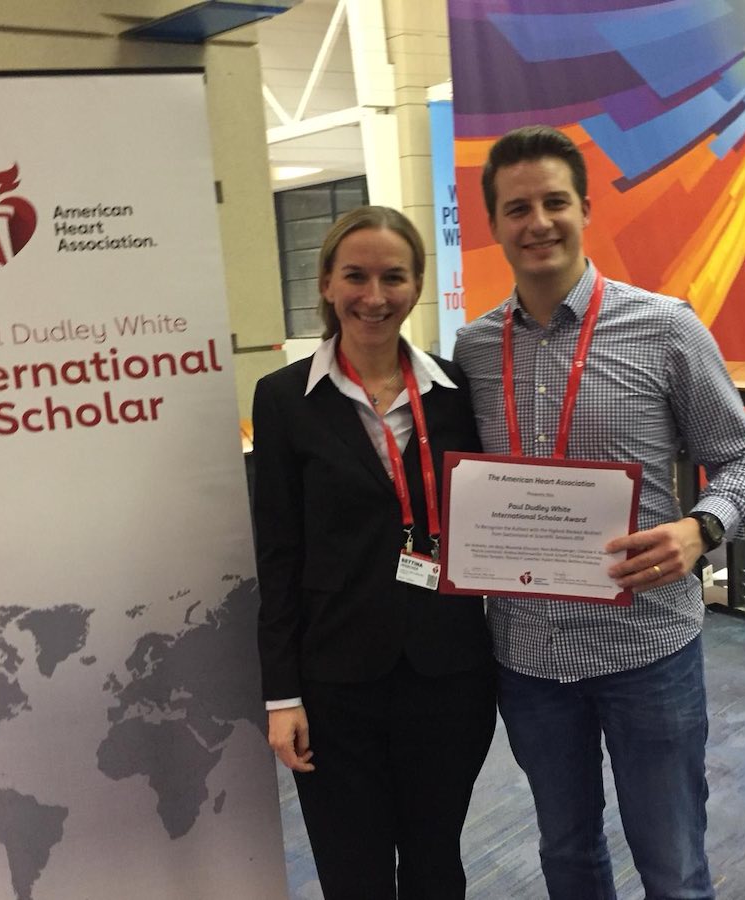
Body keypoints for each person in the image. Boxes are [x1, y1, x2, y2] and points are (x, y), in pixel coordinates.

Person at [453, 125, 745, 899]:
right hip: (528, 659)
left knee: (673, 864)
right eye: (517, 207)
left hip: (648, 650)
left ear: (586, 209)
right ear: (494, 225)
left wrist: (701, 528)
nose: (538, 223)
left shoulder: (665, 327)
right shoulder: (471, 349)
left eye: (555, 202)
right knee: (566, 854)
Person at [252, 205, 496, 900]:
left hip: (449, 676)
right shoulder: (282, 401)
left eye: (394, 277)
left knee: (434, 863)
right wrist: (280, 695)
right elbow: (278, 553)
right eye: (355, 276)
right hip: (335, 685)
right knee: (352, 873)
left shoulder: (457, 394)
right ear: (326, 283)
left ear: (417, 285)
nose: (375, 296)